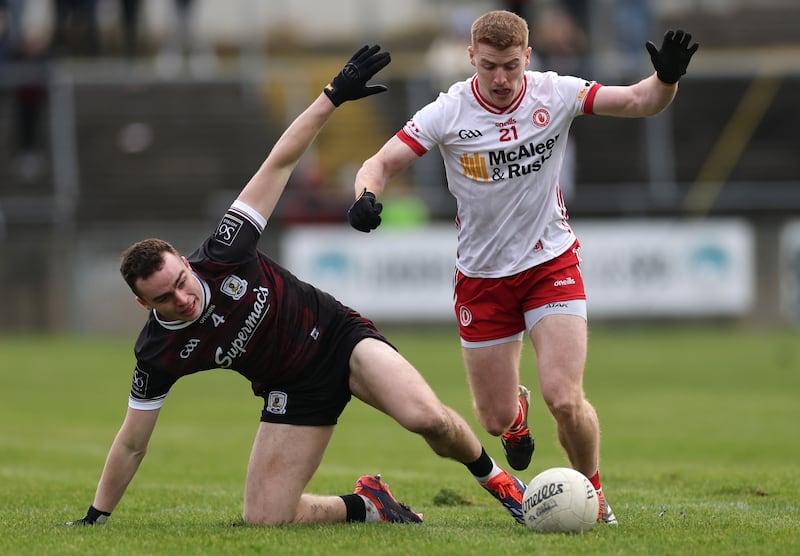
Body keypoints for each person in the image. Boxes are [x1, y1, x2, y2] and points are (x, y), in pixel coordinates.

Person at [66, 45, 528, 528]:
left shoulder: (226, 249)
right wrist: (96, 517)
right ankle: (368, 505)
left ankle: (498, 481)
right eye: (164, 298)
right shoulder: (157, 351)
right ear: (143, 303)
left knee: (426, 419)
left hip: (339, 339)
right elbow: (133, 441)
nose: (181, 298)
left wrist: (333, 95)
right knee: (265, 517)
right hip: (291, 391)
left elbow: (279, 162)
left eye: (180, 281)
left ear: (184, 261)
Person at [348, 10, 700, 526]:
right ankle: (516, 421)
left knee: (565, 396)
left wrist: (666, 78)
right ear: (471, 58)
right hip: (482, 280)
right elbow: (377, 164)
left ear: (527, 58)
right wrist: (365, 197)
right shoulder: (447, 112)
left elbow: (642, 101)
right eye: (489, 66)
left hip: (549, 263)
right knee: (492, 419)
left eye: (511, 66)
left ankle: (595, 497)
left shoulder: (555, 93)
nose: (500, 79)